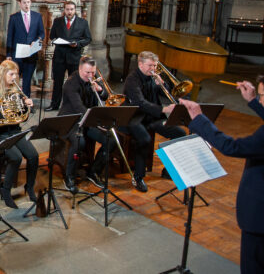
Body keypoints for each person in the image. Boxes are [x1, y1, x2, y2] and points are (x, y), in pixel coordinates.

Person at [179, 77, 264, 274]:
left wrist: (199, 118)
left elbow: (231, 146)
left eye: (261, 96)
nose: (260, 100)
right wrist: (252, 100)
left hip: (259, 217)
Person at [122, 51, 186, 192]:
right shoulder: (132, 80)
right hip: (135, 117)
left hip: (152, 117)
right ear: (140, 64)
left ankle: (168, 170)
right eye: (150, 65)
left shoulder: (152, 76)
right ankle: (138, 177)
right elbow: (140, 103)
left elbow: (165, 93)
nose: (153, 68)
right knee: (144, 139)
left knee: (180, 133)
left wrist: (163, 84)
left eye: (155, 65)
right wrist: (163, 110)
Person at [0, 59, 38, 208]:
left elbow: (21, 116)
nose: (14, 78)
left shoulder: (16, 92)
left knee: (33, 155)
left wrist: (26, 106)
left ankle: (29, 187)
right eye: (11, 74)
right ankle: (5, 190)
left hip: (14, 131)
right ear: (3, 74)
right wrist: (0, 120)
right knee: (16, 157)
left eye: (16, 75)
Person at [57, 56, 112, 193]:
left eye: (93, 72)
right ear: (80, 69)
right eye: (87, 72)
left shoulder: (94, 77)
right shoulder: (71, 84)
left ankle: (94, 172)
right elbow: (79, 108)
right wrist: (96, 122)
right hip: (71, 120)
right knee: (79, 142)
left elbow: (106, 96)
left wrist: (100, 90)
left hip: (89, 119)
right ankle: (68, 176)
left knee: (110, 139)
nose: (91, 76)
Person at [46, 1, 91, 111]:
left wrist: (77, 44)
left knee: (74, 83)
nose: (69, 12)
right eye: (67, 9)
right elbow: (52, 36)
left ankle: (72, 106)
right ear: (64, 10)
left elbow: (88, 38)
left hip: (74, 57)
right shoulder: (57, 21)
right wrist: (59, 41)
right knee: (57, 82)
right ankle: (54, 104)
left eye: (71, 9)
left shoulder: (82, 22)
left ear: (75, 10)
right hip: (59, 57)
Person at [5, 0, 45, 97]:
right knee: (15, 81)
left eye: (28, 2)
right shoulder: (14, 18)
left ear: (31, 3)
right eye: (24, 3)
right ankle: (15, 103)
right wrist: (8, 54)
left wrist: (37, 41)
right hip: (17, 55)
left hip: (31, 55)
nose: (26, 5)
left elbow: (42, 33)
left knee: (27, 82)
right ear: (20, 4)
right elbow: (10, 37)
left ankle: (26, 104)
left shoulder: (37, 16)